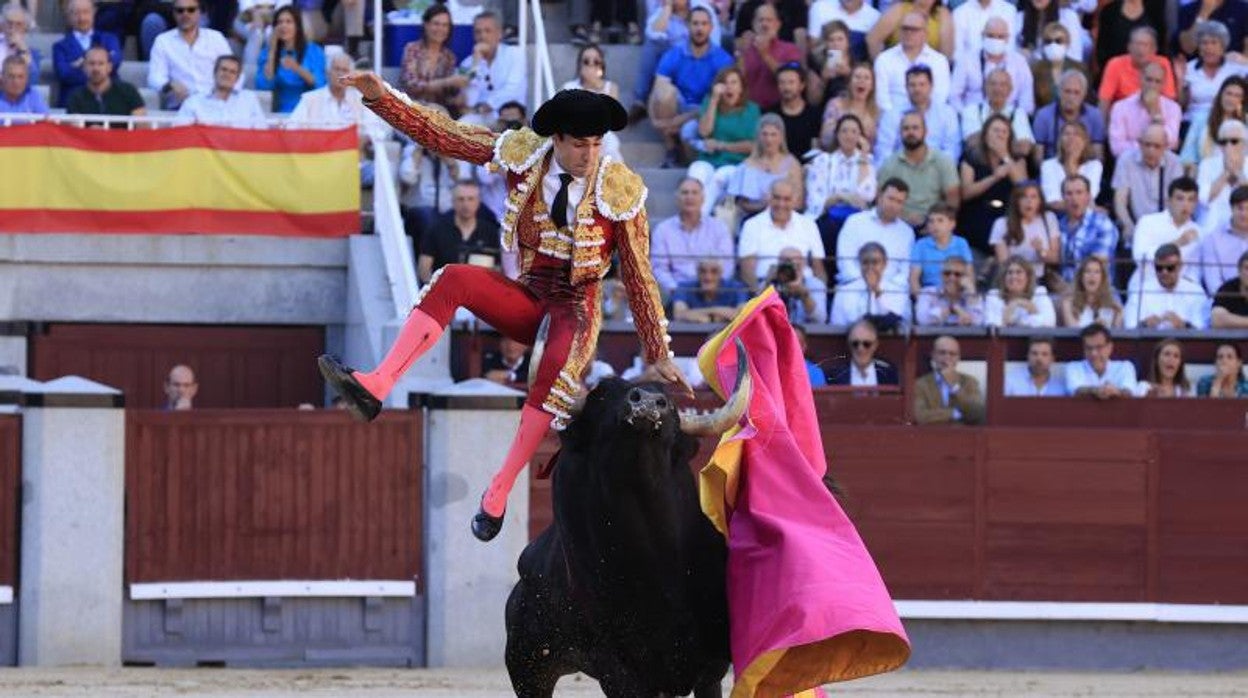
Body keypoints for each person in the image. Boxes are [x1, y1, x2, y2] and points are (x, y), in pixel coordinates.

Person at [321, 76, 690, 542]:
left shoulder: (621, 190)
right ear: (555, 139)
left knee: (554, 366)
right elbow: (446, 135)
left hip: (575, 309)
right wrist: (381, 98)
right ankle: (377, 383)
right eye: (579, 144)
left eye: (597, 144)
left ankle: (499, 490)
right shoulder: (525, 154)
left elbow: (639, 275)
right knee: (453, 278)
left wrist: (658, 351)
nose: (590, 155)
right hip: (531, 295)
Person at [648, 7, 735, 167]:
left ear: (711, 27)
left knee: (690, 128)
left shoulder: (723, 59)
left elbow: (722, 100)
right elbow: (657, 89)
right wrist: (655, 120)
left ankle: (686, 150)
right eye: (695, 23)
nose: (699, 28)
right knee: (664, 92)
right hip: (680, 106)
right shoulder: (675, 53)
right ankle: (671, 148)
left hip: (706, 110)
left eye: (704, 24)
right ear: (687, 26)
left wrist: (679, 121)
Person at [805, 113, 876, 274]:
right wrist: (842, 197)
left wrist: (863, 157)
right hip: (828, 218)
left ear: (860, 136)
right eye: (844, 131)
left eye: (854, 131)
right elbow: (816, 200)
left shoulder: (867, 161)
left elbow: (867, 195)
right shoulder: (822, 161)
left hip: (857, 220)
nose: (849, 136)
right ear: (837, 135)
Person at [685, 66, 760, 214]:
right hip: (708, 160)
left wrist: (721, 145)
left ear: (741, 88)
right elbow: (704, 132)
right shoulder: (710, 102)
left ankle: (698, 217)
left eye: (734, 83)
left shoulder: (752, 109)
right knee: (696, 173)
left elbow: (752, 146)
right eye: (725, 83)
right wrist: (713, 100)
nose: (729, 87)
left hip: (736, 163)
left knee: (719, 178)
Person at [737, 179, 826, 294]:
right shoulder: (752, 225)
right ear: (769, 198)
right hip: (766, 285)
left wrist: (822, 293)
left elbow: (818, 267)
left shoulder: (809, 225)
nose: (781, 204)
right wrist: (759, 296)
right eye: (776, 198)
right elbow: (747, 270)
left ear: (794, 200)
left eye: (786, 199)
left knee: (816, 286)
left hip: (803, 285)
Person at [649, 177, 735, 297]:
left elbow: (727, 264)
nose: (689, 197)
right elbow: (659, 268)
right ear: (677, 198)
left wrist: (712, 287)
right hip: (677, 292)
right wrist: (676, 291)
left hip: (714, 292)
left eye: (694, 192)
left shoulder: (719, 228)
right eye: (685, 193)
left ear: (703, 198)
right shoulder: (663, 230)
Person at [876, 110, 961, 230]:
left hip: (933, 228)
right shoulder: (890, 163)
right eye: (906, 129)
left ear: (925, 132)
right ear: (900, 133)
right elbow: (880, 197)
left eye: (915, 128)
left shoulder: (942, 161)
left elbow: (952, 200)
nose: (910, 132)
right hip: (896, 225)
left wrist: (936, 225)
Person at [958, 113, 1028, 253]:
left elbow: (1024, 188)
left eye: (1004, 132)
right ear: (985, 134)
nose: (1000, 135)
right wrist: (994, 178)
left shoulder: (1017, 159)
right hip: (976, 215)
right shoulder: (972, 157)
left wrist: (1004, 156)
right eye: (995, 130)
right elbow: (966, 193)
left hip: (1006, 217)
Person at [146, 0, 232, 110]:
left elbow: (235, 70)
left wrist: (225, 92)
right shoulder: (163, 41)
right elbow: (155, 77)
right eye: (180, 10)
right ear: (174, 14)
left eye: (191, 10)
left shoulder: (216, 38)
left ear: (200, 13)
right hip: (181, 107)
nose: (185, 14)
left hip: (215, 104)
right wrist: (169, 85)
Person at [875, 64, 961, 167]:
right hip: (902, 170)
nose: (917, 89)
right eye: (912, 85)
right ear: (906, 87)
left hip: (937, 171)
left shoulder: (947, 113)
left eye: (922, 84)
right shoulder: (892, 114)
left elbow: (952, 150)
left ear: (931, 86)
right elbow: (884, 151)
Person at [417, 180, 501, 283]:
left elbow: (497, 269)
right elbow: (424, 270)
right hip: (445, 291)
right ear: (453, 202)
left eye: (471, 199)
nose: (466, 204)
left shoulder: (490, 232)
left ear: (478, 202)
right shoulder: (436, 229)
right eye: (461, 199)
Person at [835, 178, 914, 286]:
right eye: (891, 199)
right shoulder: (855, 221)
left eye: (899, 202)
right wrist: (865, 284)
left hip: (891, 291)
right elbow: (845, 262)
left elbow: (904, 273)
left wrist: (882, 288)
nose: (893, 205)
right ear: (879, 197)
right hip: (854, 286)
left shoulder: (907, 233)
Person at [724, 114, 805, 220]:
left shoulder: (792, 164)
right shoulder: (748, 165)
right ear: (759, 137)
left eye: (773, 135)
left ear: (781, 137)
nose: (769, 140)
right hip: (753, 218)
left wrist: (776, 204)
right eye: (765, 134)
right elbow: (740, 204)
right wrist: (763, 205)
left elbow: (798, 203)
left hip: (786, 218)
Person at [1111, 124, 1185, 238]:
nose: (1151, 150)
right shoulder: (1126, 160)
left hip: (1166, 225)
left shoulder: (1174, 163)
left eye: (1157, 146)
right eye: (1147, 145)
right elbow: (1120, 200)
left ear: (1166, 146)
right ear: (1139, 143)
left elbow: (1178, 201)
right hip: (1137, 225)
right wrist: (1128, 225)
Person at [1130, 177, 1204, 290]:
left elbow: (1196, 271)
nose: (1185, 204)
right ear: (1169, 201)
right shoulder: (1148, 222)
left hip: (1183, 290)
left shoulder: (1200, 232)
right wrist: (1178, 243)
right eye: (1180, 199)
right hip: (1147, 286)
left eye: (1191, 200)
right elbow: (1140, 257)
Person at [872, 10, 951, 113]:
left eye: (914, 29)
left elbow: (940, 97)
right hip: (892, 118)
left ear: (925, 34)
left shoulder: (939, 61)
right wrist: (895, 118)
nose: (908, 33)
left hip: (930, 118)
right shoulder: (884, 59)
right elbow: (881, 98)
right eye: (905, 28)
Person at [950, 17, 1034, 114]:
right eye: (991, 36)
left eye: (1000, 36)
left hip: (1009, 120)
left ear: (1007, 38)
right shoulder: (966, 60)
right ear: (982, 35)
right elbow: (954, 96)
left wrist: (1016, 118)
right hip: (973, 120)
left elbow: (1026, 98)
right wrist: (967, 116)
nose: (995, 40)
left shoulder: (1019, 62)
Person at [254, 6, 325, 114]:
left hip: (310, 111)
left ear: (298, 26)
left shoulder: (313, 50)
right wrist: (272, 49)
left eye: (289, 22)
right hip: (283, 112)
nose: (283, 26)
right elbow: (264, 85)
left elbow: (319, 84)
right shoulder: (267, 53)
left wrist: (296, 68)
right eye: (280, 22)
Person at [52, 0, 122, 109]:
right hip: (74, 103)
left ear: (94, 12)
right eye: (76, 13)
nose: (82, 18)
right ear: (69, 16)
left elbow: (115, 63)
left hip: (108, 99)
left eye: (86, 12)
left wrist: (80, 64)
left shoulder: (109, 39)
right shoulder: (60, 47)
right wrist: (100, 69)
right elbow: (64, 74)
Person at [1124, 244, 1211, 329]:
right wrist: (1144, 325)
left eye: (1170, 268)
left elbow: (1202, 328)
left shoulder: (1195, 291)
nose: (1164, 272)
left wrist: (1184, 326)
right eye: (1159, 268)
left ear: (1180, 266)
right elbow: (1130, 326)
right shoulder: (1141, 291)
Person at [459, 11, 527, 121]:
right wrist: (476, 64)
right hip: (480, 118)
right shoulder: (467, 63)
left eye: (488, 31)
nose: (483, 36)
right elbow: (469, 100)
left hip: (509, 115)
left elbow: (513, 89)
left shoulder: (515, 53)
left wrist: (487, 106)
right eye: (478, 32)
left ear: (499, 33)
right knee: (464, 123)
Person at [398, 3, 464, 114]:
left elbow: (446, 95)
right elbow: (411, 85)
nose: (440, 29)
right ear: (426, 25)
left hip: (436, 112)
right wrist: (445, 82)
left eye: (445, 25)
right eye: (436, 24)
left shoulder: (449, 57)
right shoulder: (412, 49)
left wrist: (458, 96)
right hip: (410, 108)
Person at [1178, 20, 1244, 129]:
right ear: (1199, 47)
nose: (1208, 48)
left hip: (1226, 124)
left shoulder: (1235, 69)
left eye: (1214, 43)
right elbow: (1181, 105)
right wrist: (1180, 82)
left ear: (1223, 47)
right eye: (1204, 43)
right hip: (1193, 123)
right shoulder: (1188, 69)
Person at [1108, 62, 1181, 158]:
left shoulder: (1173, 108)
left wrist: (1156, 114)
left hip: (1161, 163)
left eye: (1157, 81)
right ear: (1140, 78)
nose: (1152, 85)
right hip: (1129, 164)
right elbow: (1117, 147)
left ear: (1163, 84)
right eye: (1149, 80)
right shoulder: (1120, 107)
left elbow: (1172, 142)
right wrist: (1151, 149)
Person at [990, 181, 1060, 281]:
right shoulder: (1002, 224)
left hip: (1040, 279)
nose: (1029, 201)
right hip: (1014, 280)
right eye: (1024, 197)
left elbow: (1055, 258)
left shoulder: (1049, 218)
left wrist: (1041, 251)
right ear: (1016, 201)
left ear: (1040, 201)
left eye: (1033, 197)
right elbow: (1004, 264)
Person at [829, 242, 911, 327]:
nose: (870, 267)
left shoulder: (898, 291)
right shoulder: (844, 292)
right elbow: (836, 326)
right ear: (859, 264)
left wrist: (876, 291)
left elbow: (900, 323)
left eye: (875, 262)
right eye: (865, 262)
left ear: (884, 264)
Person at [1098, 26, 1177, 115]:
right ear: (1129, 47)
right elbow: (1104, 100)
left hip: (1154, 113)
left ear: (1154, 49)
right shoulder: (1115, 64)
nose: (1140, 49)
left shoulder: (1162, 64)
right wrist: (1103, 127)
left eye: (1145, 45)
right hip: (1123, 116)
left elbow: (1169, 100)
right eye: (1137, 44)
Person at [1055, 175, 1119, 285]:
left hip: (1097, 292)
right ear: (1063, 197)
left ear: (1088, 196)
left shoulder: (1103, 224)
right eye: (1069, 193)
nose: (1074, 198)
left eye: (1079, 192)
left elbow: (1096, 267)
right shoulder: (1057, 226)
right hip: (1063, 291)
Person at [738, 4, 803, 112]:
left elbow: (789, 79)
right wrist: (741, 54)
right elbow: (738, 80)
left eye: (769, 20)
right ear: (753, 24)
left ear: (778, 24)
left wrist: (765, 55)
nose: (764, 24)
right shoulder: (745, 49)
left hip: (780, 110)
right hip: (748, 110)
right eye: (760, 20)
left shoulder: (790, 49)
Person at [957, 67, 1036, 155]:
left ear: (1010, 89)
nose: (997, 89)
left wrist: (986, 139)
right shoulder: (971, 110)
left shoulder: (1018, 113)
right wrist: (1007, 140)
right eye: (993, 84)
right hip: (980, 164)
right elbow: (972, 143)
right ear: (985, 87)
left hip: (1009, 163)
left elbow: (1024, 147)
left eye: (1003, 85)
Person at [1032, 70, 1107, 160]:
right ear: (1059, 92)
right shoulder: (1043, 115)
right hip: (1052, 168)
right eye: (1067, 91)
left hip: (1086, 168)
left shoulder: (1095, 115)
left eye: (1076, 93)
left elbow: (1098, 154)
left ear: (1084, 94)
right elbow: (1038, 157)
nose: (1071, 97)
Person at [176, 54, 266, 127]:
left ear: (237, 78)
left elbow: (261, 130)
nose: (227, 74)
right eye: (224, 69)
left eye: (232, 72)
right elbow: (180, 132)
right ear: (215, 73)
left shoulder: (249, 99)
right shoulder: (194, 102)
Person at [914, 335, 985, 425]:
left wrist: (955, 387)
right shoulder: (920, 384)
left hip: (963, 436)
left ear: (958, 358)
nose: (947, 357)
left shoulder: (970, 381)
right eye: (942, 353)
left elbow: (977, 413)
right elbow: (920, 416)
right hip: (931, 436)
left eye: (952, 354)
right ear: (933, 355)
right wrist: (954, 413)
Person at [1180, 74, 1245, 171]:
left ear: (1242, 100)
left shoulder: (1246, 123)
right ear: (1220, 95)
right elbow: (1187, 155)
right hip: (1205, 171)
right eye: (1229, 94)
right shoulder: (1201, 119)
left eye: (1237, 96)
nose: (1231, 99)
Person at [66, 45, 146, 121]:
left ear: (109, 67)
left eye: (101, 63)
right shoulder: (75, 97)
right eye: (91, 63)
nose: (96, 68)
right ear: (84, 67)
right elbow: (73, 129)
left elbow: (142, 126)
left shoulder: (128, 91)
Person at [909, 202, 973, 294]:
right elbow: (913, 279)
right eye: (931, 221)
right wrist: (921, 301)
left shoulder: (961, 243)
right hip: (930, 292)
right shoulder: (921, 245)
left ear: (952, 224)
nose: (935, 225)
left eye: (940, 220)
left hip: (957, 291)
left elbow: (969, 274)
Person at [1065, 323, 1138, 399]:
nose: (1094, 353)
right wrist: (1096, 391)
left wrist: (1116, 392)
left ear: (1110, 347)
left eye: (1099, 347)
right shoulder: (1073, 367)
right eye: (1088, 348)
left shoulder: (1125, 367)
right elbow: (1075, 391)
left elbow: (1129, 392)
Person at [1198, 185, 1248, 293]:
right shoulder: (1212, 240)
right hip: (1227, 301)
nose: (1244, 214)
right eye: (1240, 208)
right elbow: (1213, 283)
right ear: (1231, 208)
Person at [1197, 120, 1248, 224]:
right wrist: (1226, 173)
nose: (1228, 146)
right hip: (1212, 224)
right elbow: (1203, 199)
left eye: (1234, 141)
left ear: (1244, 144)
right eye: (1223, 142)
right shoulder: (1206, 164)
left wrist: (1239, 174)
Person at [866, 0, 954, 60]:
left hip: (927, 75)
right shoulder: (899, 9)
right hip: (897, 66)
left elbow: (946, 54)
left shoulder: (943, 15)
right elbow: (873, 39)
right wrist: (882, 66)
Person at [819, 63, 879, 150]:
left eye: (867, 78)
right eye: (857, 77)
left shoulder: (877, 112)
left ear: (872, 86)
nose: (861, 81)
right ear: (849, 83)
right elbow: (825, 140)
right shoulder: (835, 105)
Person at [1029, 21, 1087, 109]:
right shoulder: (1036, 70)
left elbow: (1087, 100)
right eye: (1048, 41)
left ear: (1068, 43)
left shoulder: (1079, 68)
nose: (1053, 45)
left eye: (1058, 41)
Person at [986, 255, 1057, 327]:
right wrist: (1033, 312)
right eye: (1010, 272)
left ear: (1028, 277)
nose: (1013, 277)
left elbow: (1049, 321)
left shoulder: (1039, 293)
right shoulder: (994, 295)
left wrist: (1021, 304)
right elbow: (993, 324)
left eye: (1018, 272)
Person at [768, 63, 822, 158]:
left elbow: (815, 149)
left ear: (802, 85)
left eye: (791, 82)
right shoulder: (770, 115)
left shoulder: (814, 114)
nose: (786, 87)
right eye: (782, 82)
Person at [766, 246, 829, 324]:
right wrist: (768, 283)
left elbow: (820, 319)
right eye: (787, 265)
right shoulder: (769, 284)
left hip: (803, 331)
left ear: (803, 265)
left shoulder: (815, 284)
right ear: (778, 264)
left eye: (796, 266)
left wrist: (804, 295)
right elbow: (754, 314)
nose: (791, 270)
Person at [671, 258, 746, 322]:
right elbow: (679, 315)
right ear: (697, 272)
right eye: (703, 271)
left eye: (714, 271)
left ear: (721, 273)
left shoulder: (737, 287)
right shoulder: (684, 287)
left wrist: (706, 313)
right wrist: (717, 312)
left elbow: (742, 315)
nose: (708, 277)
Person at [915, 257, 984, 327]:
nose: (952, 278)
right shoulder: (928, 292)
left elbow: (978, 322)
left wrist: (971, 292)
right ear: (941, 275)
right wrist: (951, 308)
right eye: (947, 273)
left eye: (957, 274)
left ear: (965, 277)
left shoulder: (972, 295)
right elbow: (922, 320)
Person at [827, 318, 899, 386]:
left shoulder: (887, 374)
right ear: (849, 344)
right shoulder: (836, 376)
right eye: (855, 344)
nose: (860, 349)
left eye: (867, 344)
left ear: (875, 345)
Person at [1061, 256, 1123, 328]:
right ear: (1081, 277)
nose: (1092, 276)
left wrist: (1119, 315)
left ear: (1102, 278)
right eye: (1087, 271)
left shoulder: (1111, 304)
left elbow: (1115, 335)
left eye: (1097, 272)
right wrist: (1094, 328)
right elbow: (1072, 332)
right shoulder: (1069, 303)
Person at [1175, 0, 1248, 59]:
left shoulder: (1243, 8)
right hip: (1198, 70)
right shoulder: (1187, 10)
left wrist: (1241, 62)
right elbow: (1188, 48)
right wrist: (1203, 13)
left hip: (1234, 67)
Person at [951, 0, 1018, 58]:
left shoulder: (1009, 10)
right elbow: (958, 53)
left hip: (1003, 69)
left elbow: (1010, 48)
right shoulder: (960, 13)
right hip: (970, 69)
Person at [1212, 250, 1248, 328]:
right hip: (1234, 339)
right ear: (1239, 271)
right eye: (1247, 268)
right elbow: (1217, 320)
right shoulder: (1228, 288)